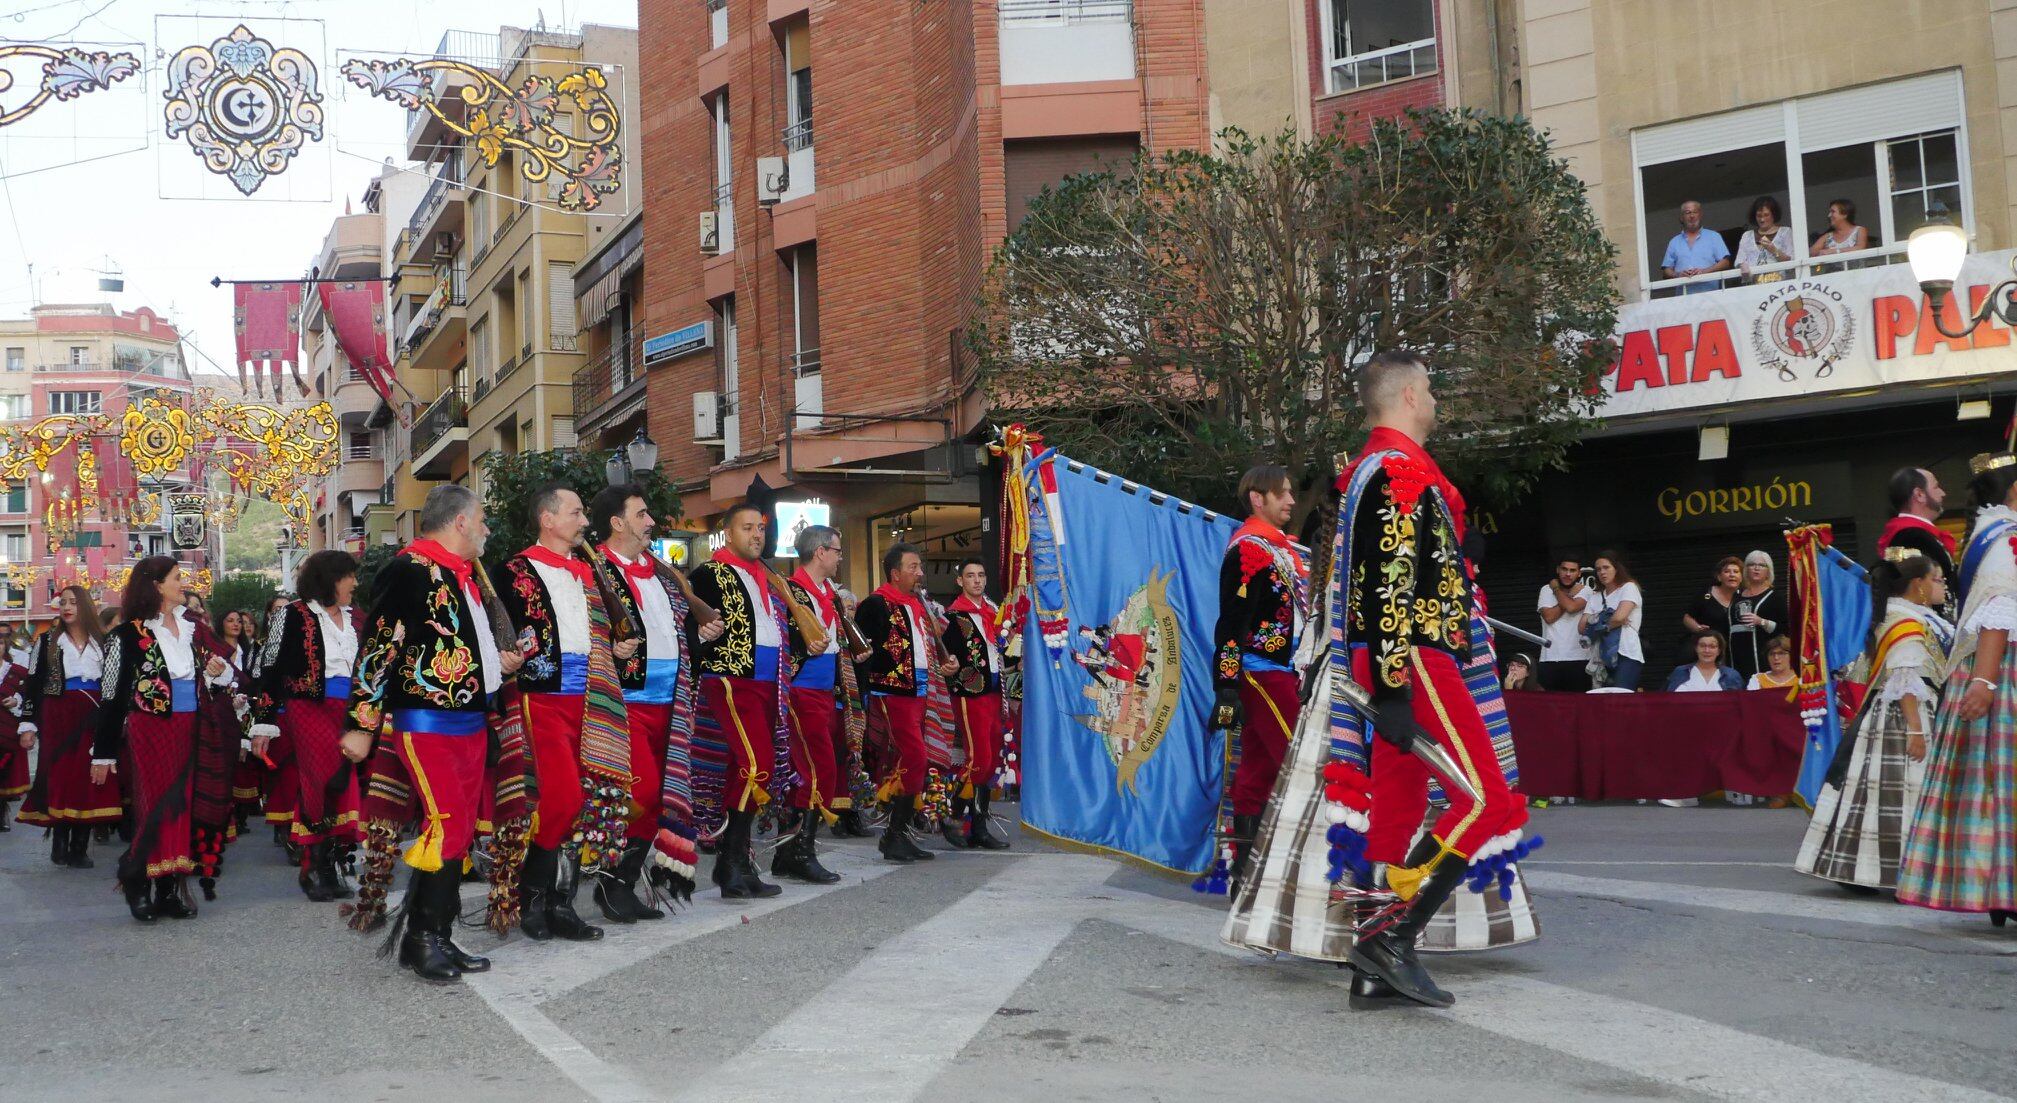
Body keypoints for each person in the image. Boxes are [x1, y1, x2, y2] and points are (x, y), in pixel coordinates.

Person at [1278, 349, 1526, 1008]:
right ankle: (1390, 940)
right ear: (1411, 394)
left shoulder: (1375, 470)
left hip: (1395, 654)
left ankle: (1372, 961)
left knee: (1396, 808)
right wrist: (1391, 687)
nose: (1437, 403)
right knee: (1486, 799)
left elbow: (1396, 569)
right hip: (1412, 655)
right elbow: (1389, 581)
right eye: (1433, 391)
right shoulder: (1398, 471)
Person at [345, 485, 520, 982]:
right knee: (445, 826)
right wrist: (362, 723)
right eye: (482, 518)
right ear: (460, 521)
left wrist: (500, 668)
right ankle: (423, 940)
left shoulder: (459, 576)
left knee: (459, 830)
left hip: (468, 722)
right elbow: (379, 648)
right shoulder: (409, 570)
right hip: (427, 723)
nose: (487, 528)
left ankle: (434, 934)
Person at [497, 483, 633, 942]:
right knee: (561, 798)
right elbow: (498, 631)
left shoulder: (589, 571)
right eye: (575, 513)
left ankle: (561, 903)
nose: (583, 521)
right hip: (543, 697)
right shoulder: (514, 570)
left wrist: (615, 647)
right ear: (547, 519)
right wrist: (504, 656)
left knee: (586, 801)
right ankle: (532, 894)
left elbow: (595, 634)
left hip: (592, 696)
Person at [1897, 451, 2017, 926]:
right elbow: (1999, 610)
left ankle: (1998, 887)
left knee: (1991, 786)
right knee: (2003, 785)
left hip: (1993, 670)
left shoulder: (1990, 535)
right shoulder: (2007, 538)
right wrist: (1985, 681)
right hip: (2004, 673)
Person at [593, 483, 721, 914]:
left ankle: (621, 886)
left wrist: (699, 636)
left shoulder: (662, 573)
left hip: (672, 703)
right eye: (642, 514)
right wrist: (610, 649)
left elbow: (674, 635)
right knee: (642, 792)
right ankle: (608, 882)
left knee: (661, 794)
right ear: (617, 522)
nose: (651, 522)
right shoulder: (592, 568)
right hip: (622, 705)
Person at [91, 557, 236, 923]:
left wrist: (216, 670)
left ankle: (170, 887)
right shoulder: (126, 635)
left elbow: (224, 669)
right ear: (156, 585)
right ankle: (138, 879)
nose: (182, 582)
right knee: (156, 803)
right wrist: (103, 753)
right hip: (152, 728)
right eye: (175, 577)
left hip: (196, 724)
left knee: (185, 804)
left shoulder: (193, 627)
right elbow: (111, 695)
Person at [1798, 551, 1951, 891]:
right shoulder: (1905, 622)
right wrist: (1915, 730)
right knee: (1906, 794)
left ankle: (1862, 871)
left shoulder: (1903, 615)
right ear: (1919, 585)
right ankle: (1908, 875)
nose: (1943, 586)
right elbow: (1904, 676)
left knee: (1874, 795)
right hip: (1905, 715)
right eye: (1938, 579)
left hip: (1889, 714)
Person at [687, 503, 794, 896]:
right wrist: (702, 636)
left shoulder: (768, 577)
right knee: (757, 766)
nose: (756, 535)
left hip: (766, 684)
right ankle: (729, 861)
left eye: (761, 528)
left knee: (742, 769)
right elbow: (689, 626)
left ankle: (736, 865)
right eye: (747, 528)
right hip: (731, 679)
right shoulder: (709, 574)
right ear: (727, 535)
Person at [1209, 464, 1307, 889]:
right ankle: (1285, 869)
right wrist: (1227, 686)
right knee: (1301, 759)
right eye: (1281, 493)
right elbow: (1230, 624)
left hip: (1280, 671)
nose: (1290, 501)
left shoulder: (1280, 549)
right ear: (1257, 499)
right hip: (1261, 673)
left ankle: (1243, 874)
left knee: (1259, 770)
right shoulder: (1248, 551)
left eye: (1290, 493)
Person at [253, 551, 364, 902]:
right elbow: (269, 670)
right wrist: (264, 723)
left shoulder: (356, 618)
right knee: (319, 780)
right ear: (331, 578)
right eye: (350, 576)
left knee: (342, 782)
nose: (355, 583)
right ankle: (312, 866)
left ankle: (330, 864)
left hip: (348, 710)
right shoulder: (293, 615)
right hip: (310, 707)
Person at [15, 587, 119, 863]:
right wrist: (28, 723)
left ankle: (79, 847)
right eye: (63, 602)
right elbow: (34, 683)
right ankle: (59, 840)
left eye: (73, 602)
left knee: (87, 776)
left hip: (93, 711)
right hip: (57, 712)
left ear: (85, 606)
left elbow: (114, 683)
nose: (67, 607)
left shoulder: (104, 641)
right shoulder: (47, 640)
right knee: (59, 775)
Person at [854, 541, 943, 864]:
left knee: (914, 758)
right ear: (895, 573)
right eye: (913, 568)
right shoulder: (876, 604)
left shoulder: (916, 605)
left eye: (919, 567)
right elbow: (862, 653)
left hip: (919, 690)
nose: (919, 573)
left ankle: (900, 833)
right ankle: (894, 833)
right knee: (916, 757)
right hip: (893, 693)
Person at [785, 525, 871, 851]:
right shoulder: (791, 592)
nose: (840, 557)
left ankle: (794, 848)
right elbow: (788, 643)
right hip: (801, 691)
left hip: (825, 693)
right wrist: (806, 647)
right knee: (817, 769)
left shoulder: (829, 594)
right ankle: (799, 848)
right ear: (820, 552)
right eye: (836, 550)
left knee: (819, 769)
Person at [939, 555, 1010, 850]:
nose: (977, 580)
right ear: (960, 581)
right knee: (978, 757)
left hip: (994, 691)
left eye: (980, 575)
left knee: (991, 759)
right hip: (970, 693)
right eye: (970, 576)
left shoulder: (993, 611)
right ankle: (952, 813)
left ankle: (978, 826)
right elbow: (945, 656)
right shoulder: (953, 617)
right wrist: (949, 667)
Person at [1879, 467, 1957, 601]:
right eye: (1936, 487)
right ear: (1919, 495)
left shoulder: (1913, 534)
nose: (1943, 493)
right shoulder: (1912, 536)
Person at [1581, 552, 1645, 690]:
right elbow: (1581, 627)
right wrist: (1610, 619)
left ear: (1616, 568)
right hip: (1600, 657)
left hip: (1626, 652)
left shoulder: (1629, 587)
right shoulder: (1595, 596)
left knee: (1621, 698)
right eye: (1598, 569)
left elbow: (1619, 617)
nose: (1602, 572)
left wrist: (1597, 621)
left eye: (1606, 567)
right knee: (1602, 703)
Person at [1535, 557, 1593, 692]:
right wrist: (1569, 597)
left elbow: (1572, 608)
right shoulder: (1546, 589)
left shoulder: (1586, 590)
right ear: (1558, 570)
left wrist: (1556, 589)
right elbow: (1549, 617)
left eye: (1572, 570)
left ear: (1579, 573)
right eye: (1564, 569)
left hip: (1580, 658)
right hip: (1550, 657)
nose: (1568, 574)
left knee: (1580, 706)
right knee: (1550, 707)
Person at [1730, 550, 1788, 683]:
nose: (1756, 568)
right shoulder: (1736, 596)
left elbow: (1786, 628)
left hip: (1763, 654)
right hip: (1736, 654)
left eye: (1762, 565)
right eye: (1751, 564)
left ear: (1768, 571)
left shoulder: (1775, 597)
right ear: (1746, 570)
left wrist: (1761, 621)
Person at [1660, 199, 1732, 294]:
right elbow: (1666, 270)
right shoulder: (1674, 242)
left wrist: (1704, 271)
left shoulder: (1714, 236)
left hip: (1712, 296)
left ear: (1700, 215)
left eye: (1695, 212)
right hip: (1683, 298)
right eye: (1687, 212)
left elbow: (1725, 262)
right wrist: (1678, 274)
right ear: (1681, 218)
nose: (1692, 216)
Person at [1682, 556, 1742, 664]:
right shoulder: (1706, 594)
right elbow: (1687, 617)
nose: (1732, 575)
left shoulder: (1744, 597)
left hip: (1736, 650)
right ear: (1719, 577)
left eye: (1736, 571)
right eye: (1727, 571)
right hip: (1710, 650)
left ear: (1742, 577)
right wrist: (1697, 628)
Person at [1735, 195, 1794, 283]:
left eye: (1766, 215)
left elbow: (1792, 261)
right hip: (1755, 286)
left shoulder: (1785, 232)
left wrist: (1774, 250)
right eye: (1759, 216)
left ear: (1774, 215)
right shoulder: (1747, 236)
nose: (1762, 219)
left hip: (1781, 284)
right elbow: (1739, 260)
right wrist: (1742, 265)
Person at [1665, 628, 1743, 692]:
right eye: (1702, 646)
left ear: (1719, 651)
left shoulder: (1731, 675)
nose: (1707, 650)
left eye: (1712, 646)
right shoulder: (1680, 672)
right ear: (1696, 648)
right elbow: (1665, 701)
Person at [1810, 198, 1868, 265]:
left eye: (1833, 212)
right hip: (1833, 275)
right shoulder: (1828, 236)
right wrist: (1821, 252)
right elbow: (1812, 252)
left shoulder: (1859, 230)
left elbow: (1860, 248)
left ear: (1845, 214)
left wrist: (1834, 251)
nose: (1829, 215)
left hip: (1857, 274)